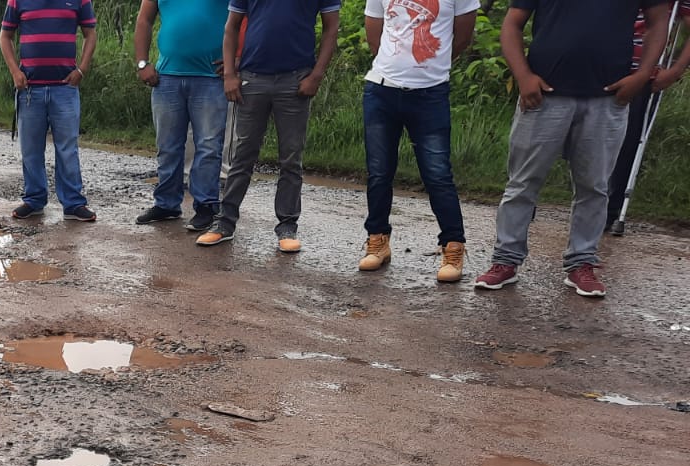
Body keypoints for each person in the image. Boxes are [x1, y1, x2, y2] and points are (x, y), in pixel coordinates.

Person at [474, 0, 670, 298]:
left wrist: (643, 74)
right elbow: (512, 23)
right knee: (522, 183)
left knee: (594, 186)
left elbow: (659, 22)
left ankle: (582, 263)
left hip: (608, 99)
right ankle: (505, 260)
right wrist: (523, 76)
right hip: (543, 96)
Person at [197, 0, 342, 252]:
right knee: (242, 155)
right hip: (252, 78)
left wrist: (317, 75)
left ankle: (287, 226)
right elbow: (231, 26)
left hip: (296, 79)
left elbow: (331, 29)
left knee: (291, 158)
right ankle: (224, 222)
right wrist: (229, 74)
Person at [357, 0, 479, 282]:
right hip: (381, 91)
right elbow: (374, 32)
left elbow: (463, 37)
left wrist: (430, 65)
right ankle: (377, 240)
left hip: (430, 94)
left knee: (437, 174)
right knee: (379, 172)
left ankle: (453, 246)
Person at [132, 0, 229, 232]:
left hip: (212, 78)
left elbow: (247, 18)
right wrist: (142, 63)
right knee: (167, 146)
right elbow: (144, 20)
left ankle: (206, 206)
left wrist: (238, 57)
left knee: (209, 146)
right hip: (166, 77)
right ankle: (166, 204)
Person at [0, 0, 100, 223]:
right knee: (31, 149)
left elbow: (90, 34)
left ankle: (73, 204)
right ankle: (34, 200)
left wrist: (82, 70)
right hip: (29, 89)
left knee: (67, 149)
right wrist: (15, 71)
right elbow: (5, 36)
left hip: (65, 88)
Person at [606, 3, 690, 235]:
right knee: (582, 136)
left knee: (627, 141)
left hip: (642, 71)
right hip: (600, 62)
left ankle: (610, 209)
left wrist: (675, 71)